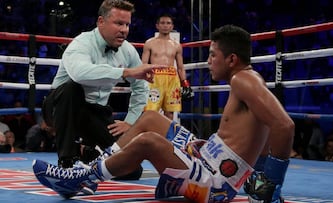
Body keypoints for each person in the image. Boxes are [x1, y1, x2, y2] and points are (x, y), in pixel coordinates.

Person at [33, 25, 294, 203]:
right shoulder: (247, 82)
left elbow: (284, 125)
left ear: (232, 59)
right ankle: (91, 174)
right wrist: (247, 170)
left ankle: (83, 178)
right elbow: (264, 132)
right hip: (208, 163)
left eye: (213, 55)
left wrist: (269, 187)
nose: (208, 61)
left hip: (214, 188)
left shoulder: (244, 81)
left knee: (150, 141)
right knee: (150, 118)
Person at [41, 0, 160, 169]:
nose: (124, 30)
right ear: (101, 22)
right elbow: (79, 73)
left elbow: (141, 87)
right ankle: (66, 161)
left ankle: (85, 152)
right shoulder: (82, 43)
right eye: (119, 23)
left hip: (95, 111)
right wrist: (125, 72)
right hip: (61, 106)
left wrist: (130, 121)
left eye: (127, 24)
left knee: (129, 169)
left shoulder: (127, 50)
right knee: (72, 88)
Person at [142, 13, 193, 120]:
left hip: (172, 79)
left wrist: (185, 83)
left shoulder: (177, 46)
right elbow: (144, 64)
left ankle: (167, 136)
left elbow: (180, 67)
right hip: (154, 78)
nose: (165, 25)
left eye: (168, 23)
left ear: (172, 26)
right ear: (157, 25)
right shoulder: (149, 43)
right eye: (163, 23)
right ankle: (150, 136)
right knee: (150, 111)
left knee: (170, 112)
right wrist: (143, 80)